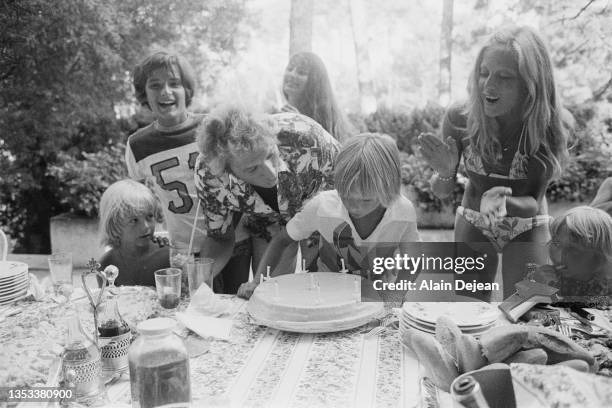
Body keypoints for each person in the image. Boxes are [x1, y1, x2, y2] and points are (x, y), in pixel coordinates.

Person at [418, 26, 572, 296]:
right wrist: (445, 172)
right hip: (474, 218)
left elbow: (531, 204)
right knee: (470, 308)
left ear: (530, 85)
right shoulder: (459, 118)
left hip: (527, 223)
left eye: (504, 77)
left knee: (526, 305)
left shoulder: (546, 126)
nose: (488, 85)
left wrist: (503, 202)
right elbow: (442, 192)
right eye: (484, 73)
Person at [125, 51, 251, 293]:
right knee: (193, 314)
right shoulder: (137, 145)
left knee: (233, 313)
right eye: (155, 85)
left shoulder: (212, 127)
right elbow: (140, 199)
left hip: (234, 240)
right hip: (185, 248)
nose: (166, 92)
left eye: (174, 84)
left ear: (187, 90)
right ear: (144, 93)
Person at [238, 133, 420, 299]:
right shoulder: (323, 206)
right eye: (347, 197)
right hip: (325, 294)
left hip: (376, 295)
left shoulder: (403, 212)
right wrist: (256, 282)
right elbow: (282, 240)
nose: (355, 207)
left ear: (389, 190)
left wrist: (397, 294)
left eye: (366, 200)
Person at [194, 105, 340, 294]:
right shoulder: (209, 174)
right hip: (268, 223)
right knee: (268, 294)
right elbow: (220, 236)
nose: (271, 173)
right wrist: (200, 281)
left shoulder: (308, 138)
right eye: (252, 169)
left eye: (271, 156)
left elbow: (348, 198)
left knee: (322, 289)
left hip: (320, 216)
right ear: (227, 171)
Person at [534, 206, 612, 307]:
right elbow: (512, 306)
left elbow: (604, 302)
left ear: (599, 259)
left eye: (573, 249)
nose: (560, 255)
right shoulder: (549, 277)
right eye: (557, 243)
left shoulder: (607, 285)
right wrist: (536, 287)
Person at [98, 179, 170, 286]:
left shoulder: (168, 257)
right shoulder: (106, 265)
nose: (146, 227)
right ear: (114, 224)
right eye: (134, 220)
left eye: (149, 216)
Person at [281, 52, 352, 142]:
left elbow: (330, 151)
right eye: (290, 69)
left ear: (314, 82)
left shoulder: (325, 119)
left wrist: (302, 123)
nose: (292, 75)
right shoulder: (276, 114)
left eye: (301, 72)